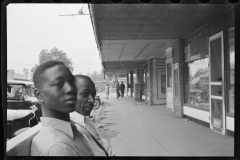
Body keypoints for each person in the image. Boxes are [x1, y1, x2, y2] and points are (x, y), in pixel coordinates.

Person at [31, 61, 94, 156]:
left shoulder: (71, 130)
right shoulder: (58, 148)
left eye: (72, 82)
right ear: (39, 94)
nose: (71, 89)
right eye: (59, 84)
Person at [70, 75, 116, 156]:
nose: (92, 100)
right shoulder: (75, 129)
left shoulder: (84, 120)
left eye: (93, 94)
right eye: (85, 94)